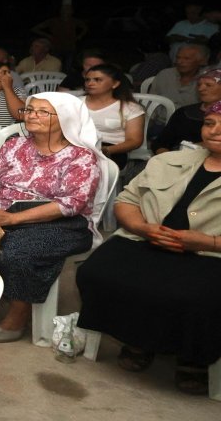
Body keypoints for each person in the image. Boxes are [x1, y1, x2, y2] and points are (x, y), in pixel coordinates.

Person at [76, 100, 221, 395]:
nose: (215, 131)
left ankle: (193, 358)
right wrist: (143, 228)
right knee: (97, 272)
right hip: (146, 239)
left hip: (209, 254)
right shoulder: (168, 161)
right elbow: (127, 201)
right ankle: (137, 339)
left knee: (196, 296)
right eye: (210, 123)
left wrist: (207, 242)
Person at [0, 92, 111, 342]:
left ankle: (19, 311)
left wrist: (12, 220)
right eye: (29, 110)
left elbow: (72, 203)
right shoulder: (14, 145)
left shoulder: (80, 156)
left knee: (18, 251)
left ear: (64, 119)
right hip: (3, 213)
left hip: (63, 222)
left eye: (42, 112)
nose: (32, 116)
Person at [82, 64, 145, 168]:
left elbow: (134, 141)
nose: (90, 83)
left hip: (112, 150)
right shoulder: (75, 103)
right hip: (79, 146)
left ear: (115, 84)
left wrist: (106, 150)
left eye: (97, 80)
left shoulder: (130, 108)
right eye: (87, 80)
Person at [152, 68, 221, 153]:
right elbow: (161, 142)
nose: (201, 89)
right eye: (199, 85)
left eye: (208, 85)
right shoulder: (184, 113)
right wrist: (168, 157)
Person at [149, 44, 208, 109]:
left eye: (186, 58)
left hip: (187, 118)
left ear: (200, 61)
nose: (179, 62)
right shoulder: (165, 74)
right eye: (178, 57)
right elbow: (150, 100)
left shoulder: (206, 79)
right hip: (160, 118)